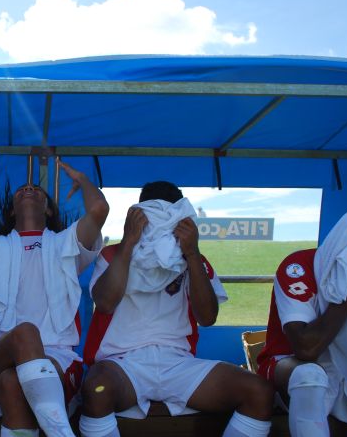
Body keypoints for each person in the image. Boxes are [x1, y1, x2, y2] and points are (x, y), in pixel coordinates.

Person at [79, 181, 274, 437]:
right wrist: (128, 242)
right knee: (96, 389)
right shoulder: (113, 253)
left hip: (178, 363)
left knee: (258, 391)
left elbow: (207, 317)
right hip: (122, 363)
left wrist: (192, 253)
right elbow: (104, 302)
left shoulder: (193, 258)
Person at [0, 162, 108, 437]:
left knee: (13, 383)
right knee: (26, 333)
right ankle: (60, 431)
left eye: (37, 190)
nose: (28, 189)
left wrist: (83, 180)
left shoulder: (67, 244)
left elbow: (98, 210)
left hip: (56, 358)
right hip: (5, 352)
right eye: (21, 190)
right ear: (13, 209)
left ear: (48, 209)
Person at [257, 209, 347, 436]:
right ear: (344, 243)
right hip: (289, 363)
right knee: (310, 376)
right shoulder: (301, 266)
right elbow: (306, 348)